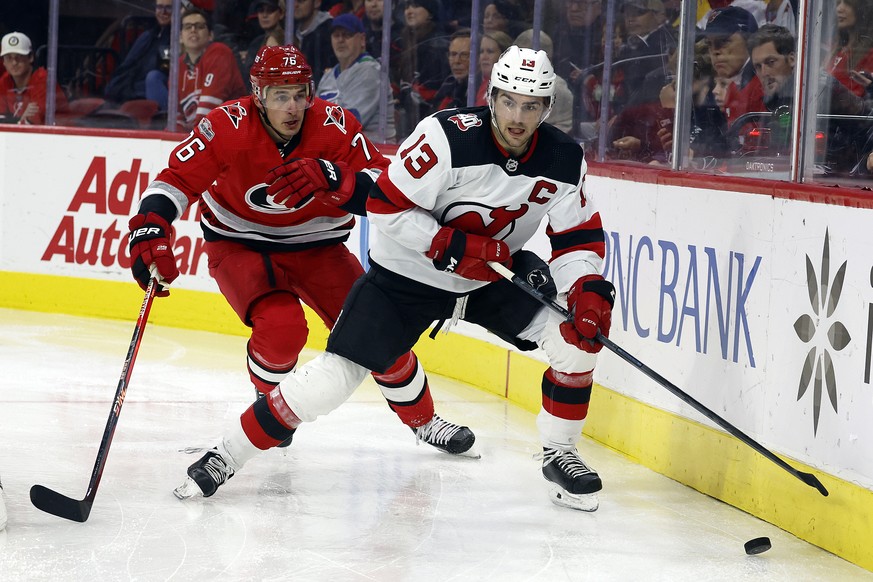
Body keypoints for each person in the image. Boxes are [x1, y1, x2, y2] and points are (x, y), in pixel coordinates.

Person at [175, 46, 616, 513]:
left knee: (575, 342)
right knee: (335, 377)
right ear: (491, 97)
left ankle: (560, 453)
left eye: (531, 106)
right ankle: (227, 454)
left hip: (489, 277)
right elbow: (385, 205)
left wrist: (584, 288)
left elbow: (578, 236)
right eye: (509, 101)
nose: (518, 117)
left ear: (547, 108)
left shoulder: (565, 157)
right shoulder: (445, 138)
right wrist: (447, 242)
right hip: (407, 277)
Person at [128, 44, 473, 459]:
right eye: (280, 96)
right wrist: (151, 226)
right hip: (240, 245)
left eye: (300, 93)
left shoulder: (336, 125)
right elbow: (175, 180)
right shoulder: (226, 126)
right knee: (282, 329)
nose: (293, 107)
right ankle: (269, 406)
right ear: (258, 95)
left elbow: (383, 186)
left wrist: (336, 176)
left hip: (320, 248)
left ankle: (424, 421)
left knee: (381, 331)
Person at [316, 13, 395, 141]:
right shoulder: (328, 76)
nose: (340, 40)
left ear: (362, 39)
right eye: (336, 35)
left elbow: (348, 122)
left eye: (347, 35)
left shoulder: (370, 71)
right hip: (338, 150)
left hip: (374, 152)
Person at [177, 7, 247, 131]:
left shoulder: (220, 53)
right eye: (188, 26)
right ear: (180, 37)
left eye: (199, 26)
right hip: (200, 137)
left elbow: (207, 115)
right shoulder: (178, 66)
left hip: (233, 134)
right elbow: (176, 117)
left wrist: (191, 143)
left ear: (210, 35)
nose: (193, 30)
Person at [701, 6, 764, 126]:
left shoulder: (763, 84)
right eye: (709, 44)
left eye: (723, 41)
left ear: (750, 41)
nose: (715, 51)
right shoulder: (734, 87)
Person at [104, 0, 173, 108]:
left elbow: (165, 67)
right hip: (133, 88)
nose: (163, 12)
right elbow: (126, 66)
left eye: (169, 8)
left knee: (152, 77)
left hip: (156, 90)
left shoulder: (179, 37)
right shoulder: (147, 36)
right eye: (159, 7)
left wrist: (173, 28)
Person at [0, 31, 68, 125]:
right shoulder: (5, 80)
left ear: (31, 57)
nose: (14, 63)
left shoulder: (43, 79)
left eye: (19, 57)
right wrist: (21, 118)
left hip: (60, 135)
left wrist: (15, 120)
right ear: (3, 62)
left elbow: (33, 121)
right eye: (8, 58)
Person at [240, 0, 286, 90]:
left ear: (281, 14)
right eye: (261, 10)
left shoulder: (286, 39)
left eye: (270, 10)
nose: (264, 15)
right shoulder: (256, 42)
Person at [293, 0, 336, 87]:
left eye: (300, 1)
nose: (295, 5)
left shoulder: (330, 31)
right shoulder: (290, 33)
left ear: (317, 2)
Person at [430, 28, 472, 111]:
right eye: (453, 54)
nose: (457, 61)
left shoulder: (481, 92)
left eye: (464, 55)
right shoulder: (447, 87)